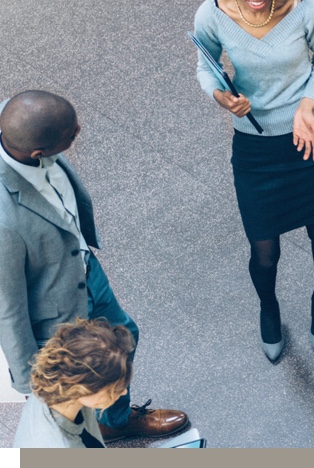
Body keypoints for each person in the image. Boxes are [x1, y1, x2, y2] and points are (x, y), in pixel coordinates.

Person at [0, 90, 188, 442]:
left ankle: (114, 418)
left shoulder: (18, 121)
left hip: (85, 268)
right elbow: (7, 306)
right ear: (38, 153)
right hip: (56, 310)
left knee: (125, 336)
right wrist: (31, 381)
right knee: (91, 374)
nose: (79, 132)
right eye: (71, 136)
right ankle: (112, 424)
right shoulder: (3, 221)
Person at [190, 0, 314, 361]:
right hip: (254, 150)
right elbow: (206, 69)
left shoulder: (308, 9)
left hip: (307, 138)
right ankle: (269, 307)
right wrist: (221, 96)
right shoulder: (211, 15)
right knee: (264, 249)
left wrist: (307, 105)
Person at [13, 318, 135, 448]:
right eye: (116, 388)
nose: (124, 392)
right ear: (83, 388)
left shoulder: (52, 386)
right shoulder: (61, 446)